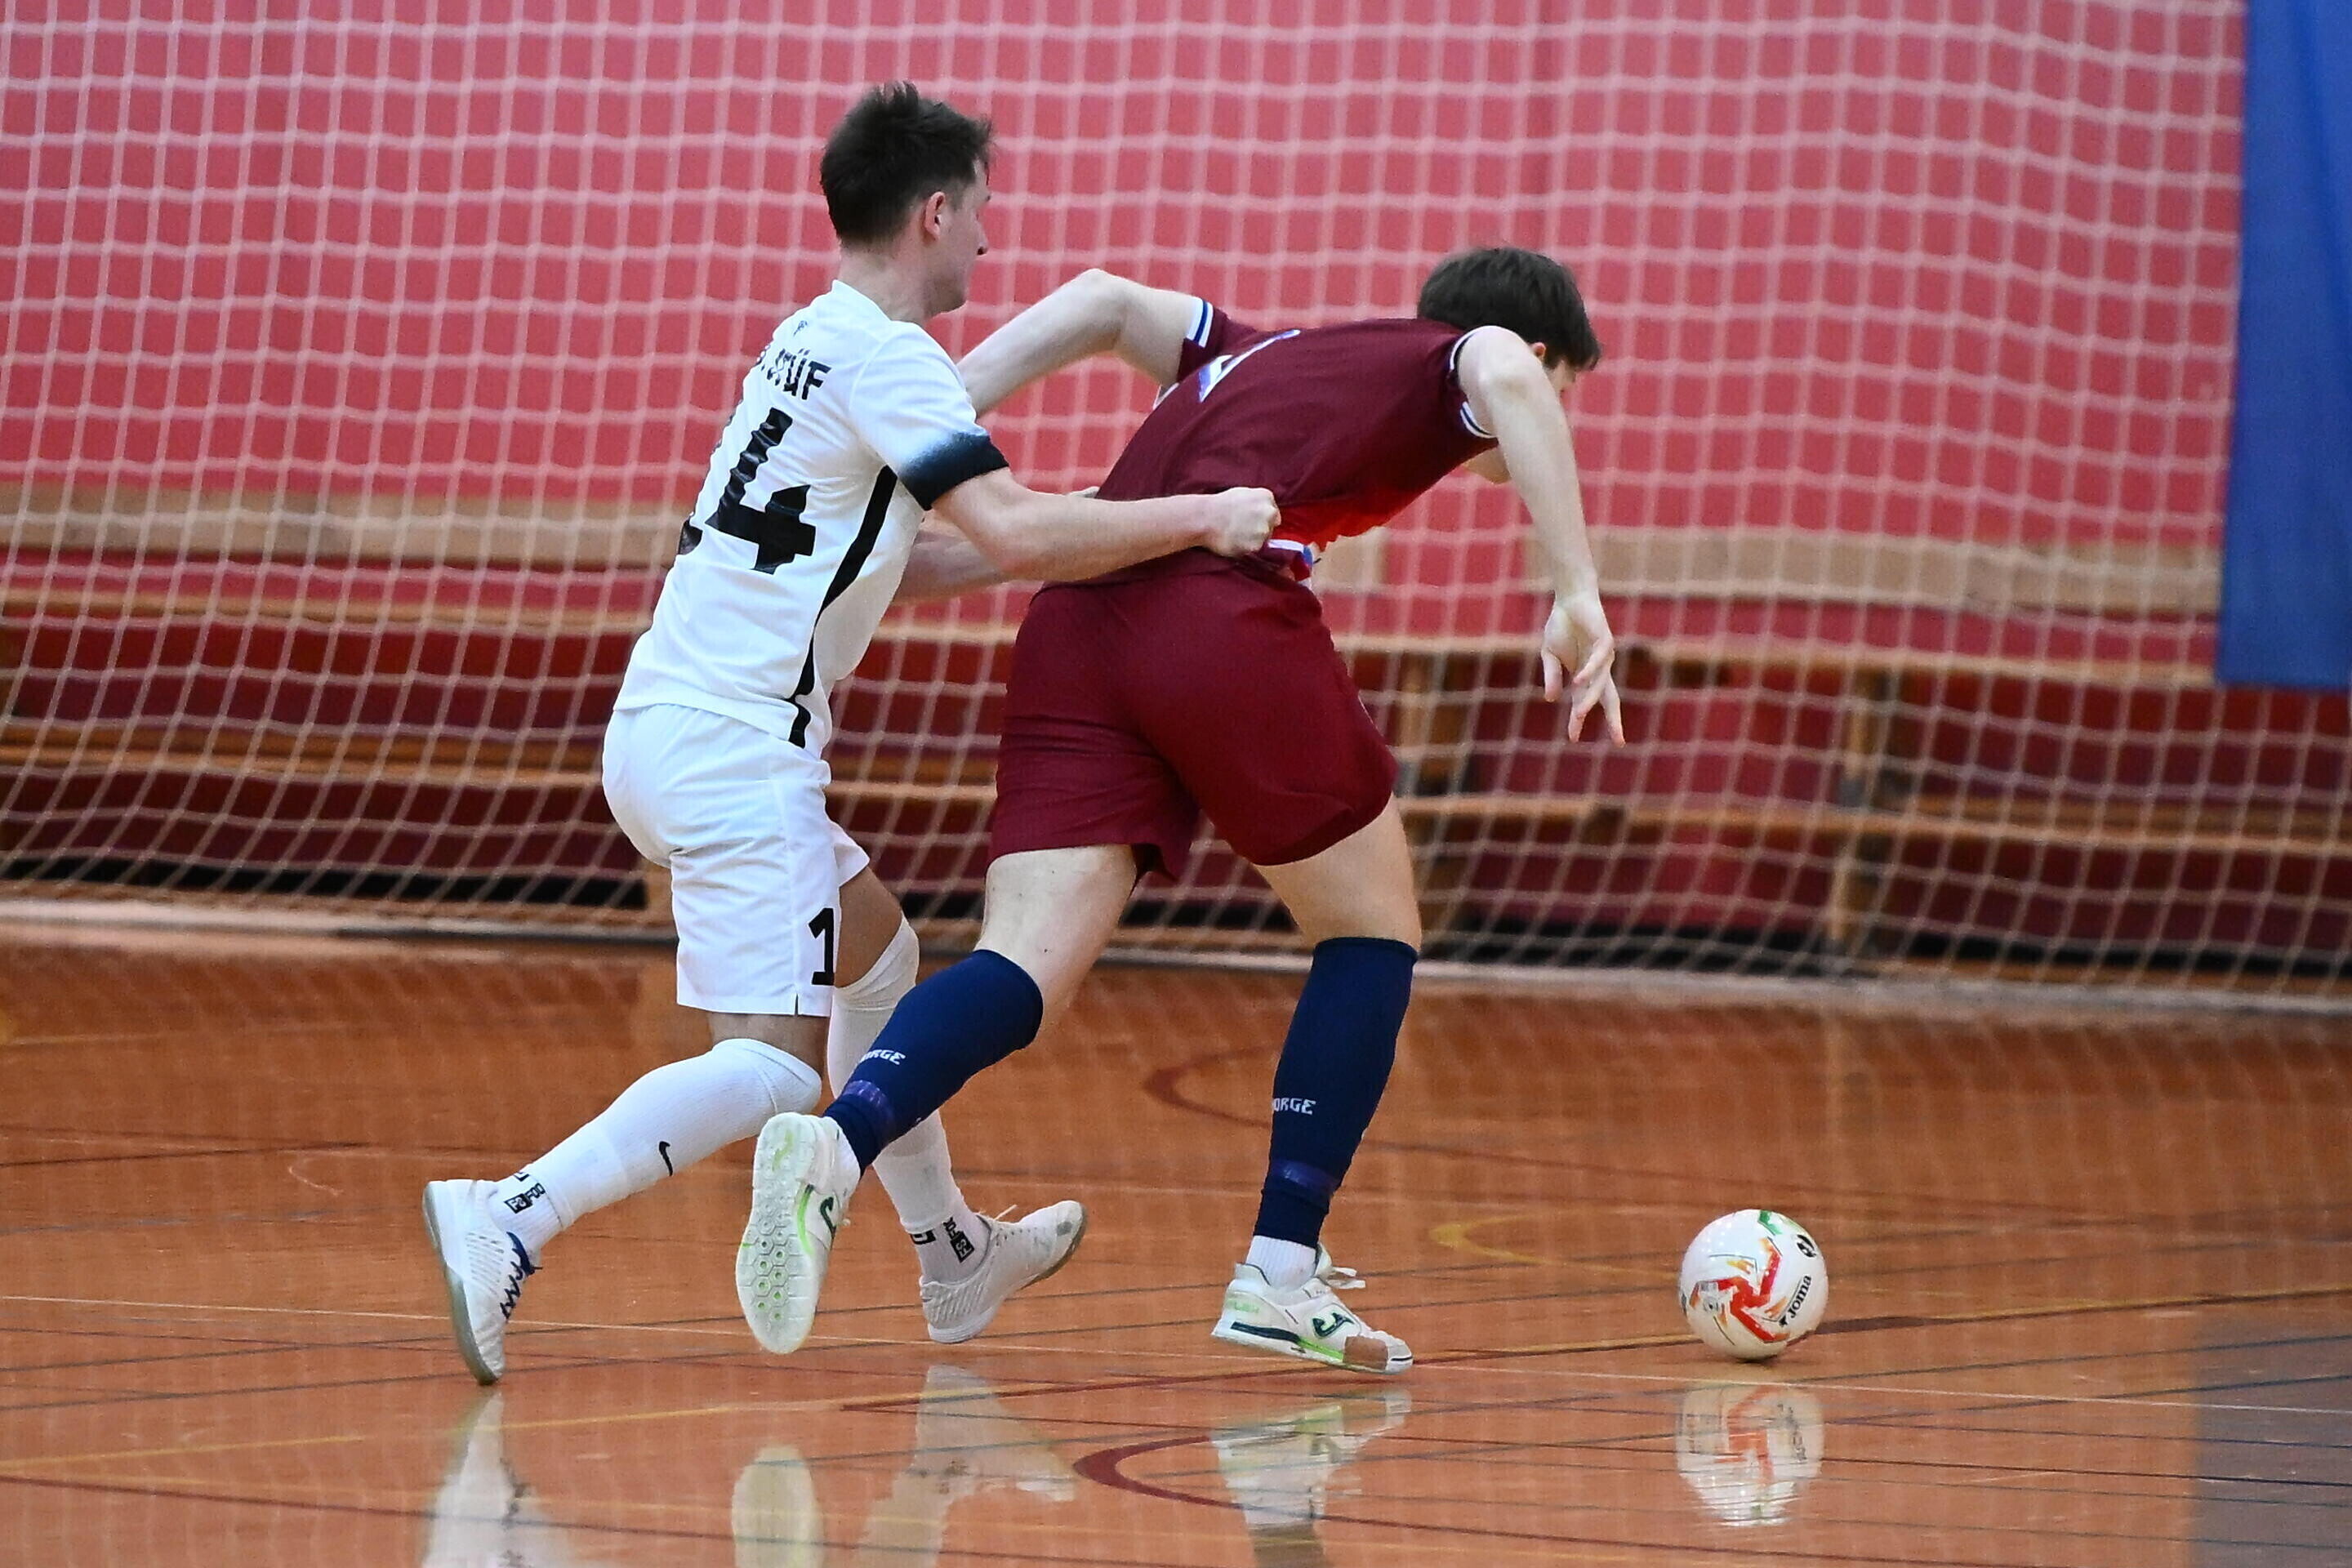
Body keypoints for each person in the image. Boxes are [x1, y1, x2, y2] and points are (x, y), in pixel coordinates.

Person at [421, 83, 1277, 1384]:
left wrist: (1088, 538)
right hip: (736, 751)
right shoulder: (891, 357)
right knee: (773, 1074)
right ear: (933, 213)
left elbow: (896, 560)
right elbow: (1018, 531)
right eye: (980, 211)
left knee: (881, 958)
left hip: (668, 725)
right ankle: (511, 1214)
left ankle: (952, 1250)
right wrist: (1199, 518)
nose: (988, 238)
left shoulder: (806, 340)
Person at [730, 246, 1624, 1375]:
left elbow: (1103, 300)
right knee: (1370, 930)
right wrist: (1577, 590)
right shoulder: (1461, 359)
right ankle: (1280, 1271)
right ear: (1543, 353)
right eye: (1564, 389)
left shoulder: (1250, 349)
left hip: (1075, 628)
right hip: (1211, 613)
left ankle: (836, 1142)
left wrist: (931, 421)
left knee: (1020, 965)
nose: (1549, 414)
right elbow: (1501, 367)